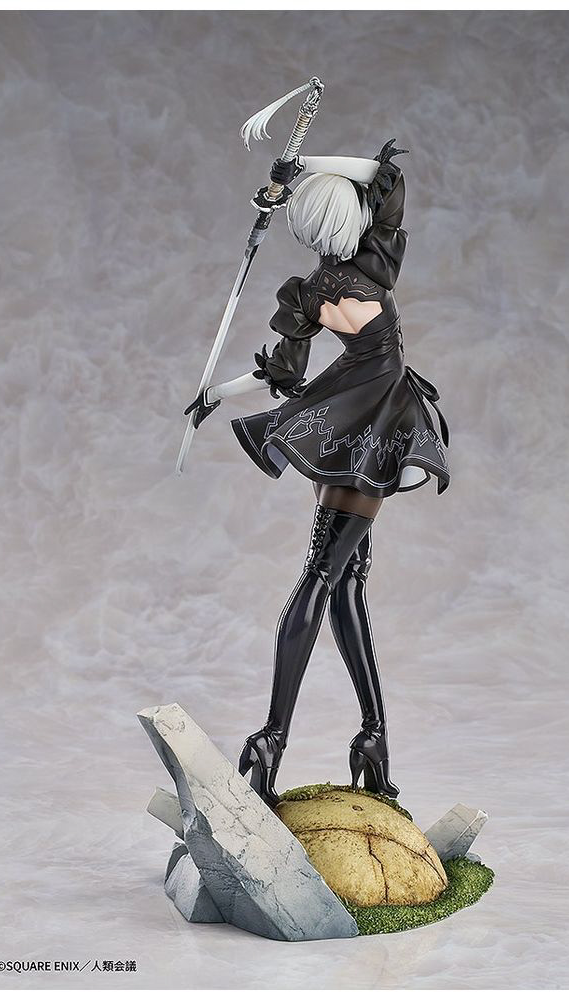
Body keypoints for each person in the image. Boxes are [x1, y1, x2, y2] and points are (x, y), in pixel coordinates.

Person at [185, 140, 449, 806]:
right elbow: (386, 178)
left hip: (348, 425)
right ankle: (273, 738)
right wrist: (305, 170)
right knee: (326, 575)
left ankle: (371, 737)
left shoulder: (314, 291)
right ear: (350, 218)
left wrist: (214, 395)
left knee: (346, 579)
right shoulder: (374, 264)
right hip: (373, 428)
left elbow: (279, 373)